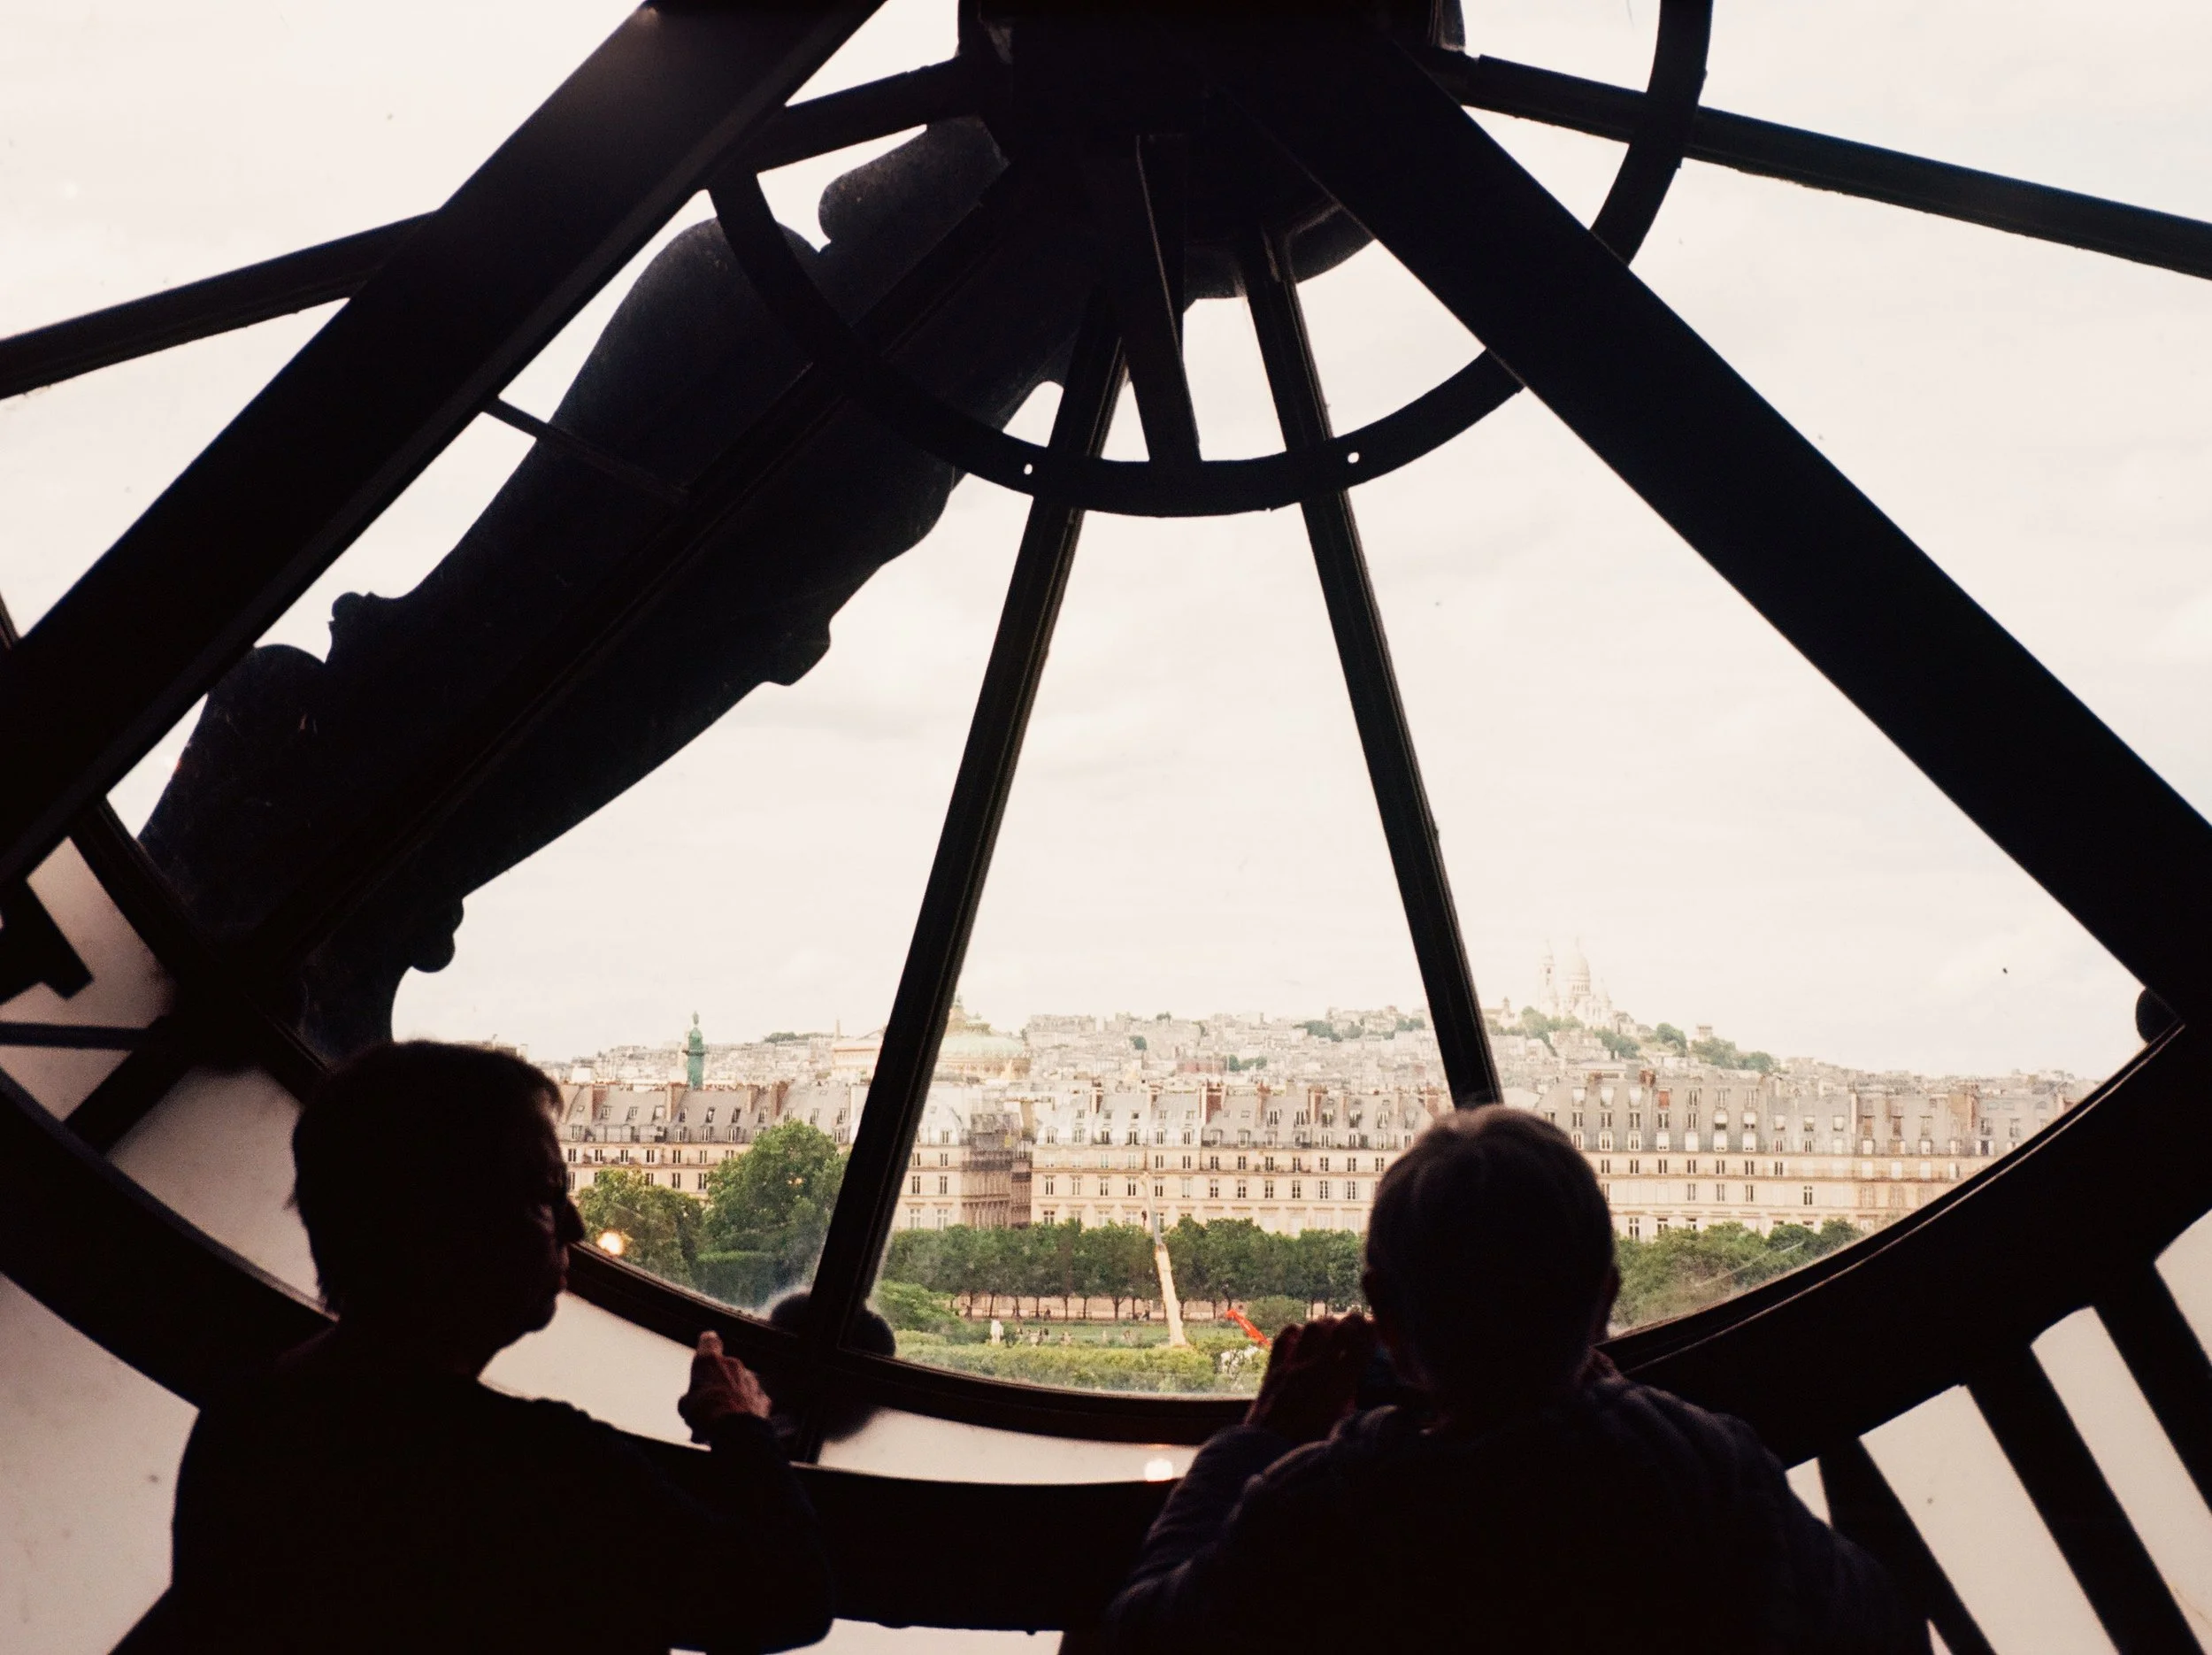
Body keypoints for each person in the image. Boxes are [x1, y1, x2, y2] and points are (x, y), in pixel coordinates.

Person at [1104, 1106, 1926, 1654]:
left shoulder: (1330, 1507)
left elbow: (1140, 1636)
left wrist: (1262, 1439)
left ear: (1387, 1317)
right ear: (1604, 1299)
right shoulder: (1699, 1472)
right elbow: (1882, 1627)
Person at [167, 1041, 833, 1653]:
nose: (575, 1224)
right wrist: (740, 1426)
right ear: (447, 1221)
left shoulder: (247, 1423)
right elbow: (789, 1599)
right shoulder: (546, 1470)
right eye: (545, 1192)